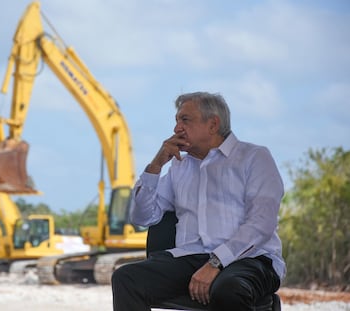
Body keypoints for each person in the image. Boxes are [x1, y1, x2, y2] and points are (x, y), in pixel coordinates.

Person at [111, 92, 286, 311]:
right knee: (126, 278)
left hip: (250, 259)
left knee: (228, 289)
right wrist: (156, 166)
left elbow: (261, 224)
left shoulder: (254, 158)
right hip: (190, 257)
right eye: (176, 121)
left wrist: (215, 263)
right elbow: (142, 217)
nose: (176, 128)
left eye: (185, 120)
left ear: (213, 124)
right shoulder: (179, 167)